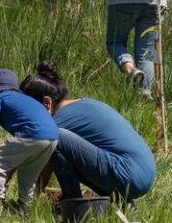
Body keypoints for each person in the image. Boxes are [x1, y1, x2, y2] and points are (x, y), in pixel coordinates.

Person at [20, 61, 156, 203]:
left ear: (46, 103)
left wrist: (28, 200)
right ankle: (124, 204)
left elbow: (44, 171)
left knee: (55, 136)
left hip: (128, 175)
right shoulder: (85, 103)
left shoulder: (56, 123)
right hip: (145, 176)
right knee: (72, 155)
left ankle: (72, 204)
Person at [0, 69, 58, 210]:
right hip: (53, 136)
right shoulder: (26, 100)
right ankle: (25, 209)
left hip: (34, 134)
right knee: (28, 175)